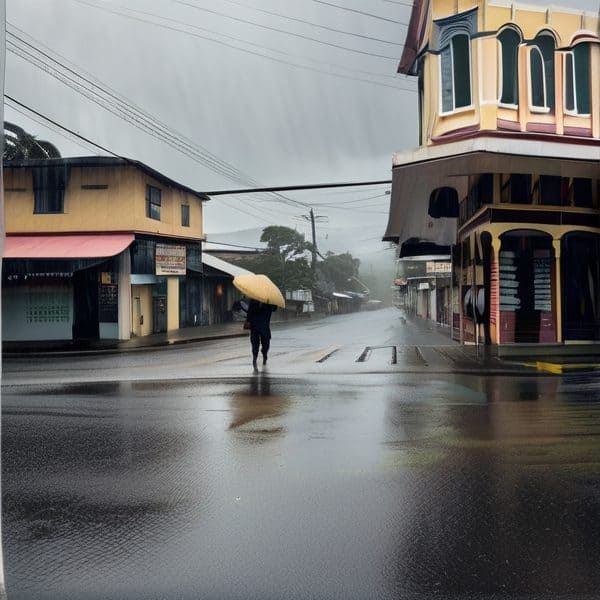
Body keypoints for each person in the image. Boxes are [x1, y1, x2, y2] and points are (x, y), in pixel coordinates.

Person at [245, 299, 277, 368]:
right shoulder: (254, 300)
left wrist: (270, 303)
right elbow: (249, 311)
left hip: (264, 325)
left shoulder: (269, 300)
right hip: (255, 325)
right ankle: (254, 357)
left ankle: (264, 353)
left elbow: (274, 308)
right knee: (254, 342)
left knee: (266, 342)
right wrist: (248, 321)